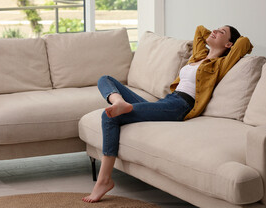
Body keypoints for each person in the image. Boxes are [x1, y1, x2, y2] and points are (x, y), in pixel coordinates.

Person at [82, 25, 253, 203]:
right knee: (106, 79)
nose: (214, 32)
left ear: (229, 45)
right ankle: (119, 102)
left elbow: (244, 43)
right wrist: (218, 34)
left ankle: (104, 180)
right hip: (167, 101)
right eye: (215, 30)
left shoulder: (220, 64)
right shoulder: (199, 56)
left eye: (221, 33)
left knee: (108, 116)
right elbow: (199, 31)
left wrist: (228, 41)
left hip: (180, 106)